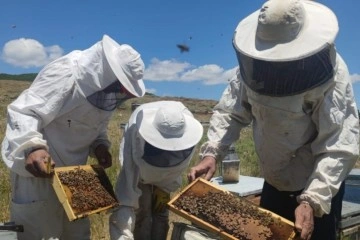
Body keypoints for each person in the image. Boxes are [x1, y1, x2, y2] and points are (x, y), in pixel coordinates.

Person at [187, 1, 359, 240]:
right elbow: (230, 112)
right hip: (274, 180)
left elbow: (339, 144)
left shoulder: (332, 75)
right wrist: (212, 152)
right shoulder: (254, 66)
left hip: (316, 184)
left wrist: (313, 199)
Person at [1, 34, 145, 240]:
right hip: (38, 172)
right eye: (118, 86)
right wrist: (32, 146)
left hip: (73, 179)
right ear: (106, 73)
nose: (118, 93)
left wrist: (100, 145)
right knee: (39, 233)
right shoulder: (65, 73)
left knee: (76, 233)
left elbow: (97, 124)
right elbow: (24, 111)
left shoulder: (104, 92)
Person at [109, 100, 203, 240]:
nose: (168, 154)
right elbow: (126, 198)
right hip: (139, 175)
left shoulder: (183, 125)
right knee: (142, 212)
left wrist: (165, 187)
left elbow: (176, 170)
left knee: (161, 213)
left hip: (166, 180)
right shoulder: (135, 131)